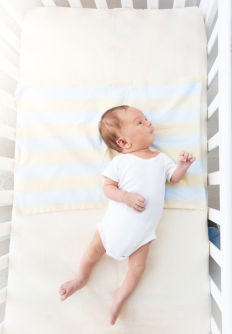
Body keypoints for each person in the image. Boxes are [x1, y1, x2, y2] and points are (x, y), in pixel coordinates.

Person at [59, 105, 196, 325]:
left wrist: (184, 165)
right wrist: (126, 197)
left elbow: (174, 178)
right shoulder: (120, 162)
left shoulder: (161, 159)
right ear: (123, 142)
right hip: (110, 229)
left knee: (138, 269)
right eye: (140, 122)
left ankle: (120, 296)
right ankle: (81, 278)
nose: (148, 123)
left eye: (146, 119)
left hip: (142, 235)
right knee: (91, 253)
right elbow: (108, 188)